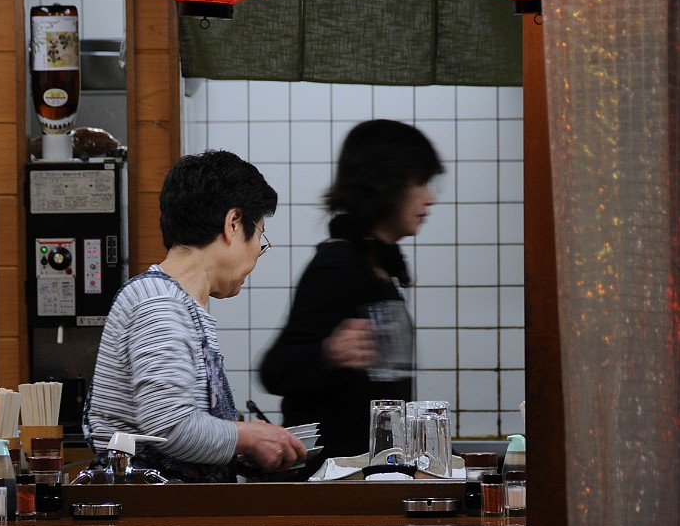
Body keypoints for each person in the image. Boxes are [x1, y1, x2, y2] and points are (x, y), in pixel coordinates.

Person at [83, 150, 306, 482]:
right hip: (152, 521)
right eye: (259, 236)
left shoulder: (175, 302)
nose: (258, 254)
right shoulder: (159, 304)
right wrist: (248, 436)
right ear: (233, 224)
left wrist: (246, 441)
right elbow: (170, 426)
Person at [260, 119, 443, 473]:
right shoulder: (338, 264)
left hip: (370, 477)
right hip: (334, 487)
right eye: (419, 182)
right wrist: (329, 353)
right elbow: (275, 370)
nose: (429, 198)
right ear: (385, 184)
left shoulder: (376, 264)